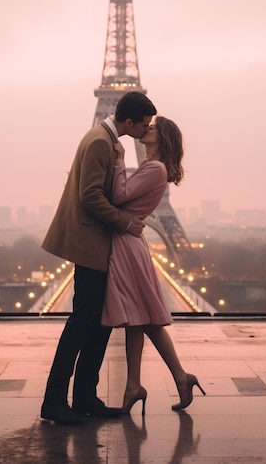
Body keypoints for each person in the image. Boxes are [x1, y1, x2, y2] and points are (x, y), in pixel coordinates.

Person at [40, 91, 157, 425]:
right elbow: (89, 194)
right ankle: (54, 401)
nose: (146, 129)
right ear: (129, 120)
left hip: (97, 244)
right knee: (81, 324)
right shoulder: (99, 142)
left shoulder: (107, 140)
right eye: (144, 124)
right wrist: (125, 222)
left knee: (97, 323)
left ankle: (84, 397)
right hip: (90, 244)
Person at [101, 116, 206, 414]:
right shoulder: (154, 167)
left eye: (152, 127)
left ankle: (174, 377)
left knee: (143, 318)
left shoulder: (155, 168)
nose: (146, 128)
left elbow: (119, 195)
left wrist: (120, 159)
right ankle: (141, 384)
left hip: (126, 245)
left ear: (163, 137)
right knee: (138, 318)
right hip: (128, 243)